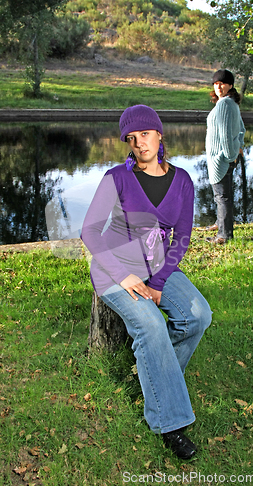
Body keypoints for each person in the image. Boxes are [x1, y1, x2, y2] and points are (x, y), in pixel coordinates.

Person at [81, 105, 212, 460]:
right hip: (112, 269)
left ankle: (154, 373)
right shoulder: (116, 178)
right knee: (153, 326)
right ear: (128, 143)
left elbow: (182, 236)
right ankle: (170, 423)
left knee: (199, 315)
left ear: (159, 135)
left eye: (145, 134)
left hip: (155, 266)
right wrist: (123, 276)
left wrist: (158, 281)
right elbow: (89, 231)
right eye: (132, 138)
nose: (140, 143)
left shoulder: (182, 180)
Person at [205, 69, 246, 244]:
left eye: (222, 83)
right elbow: (242, 128)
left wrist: (229, 155)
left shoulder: (224, 105)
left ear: (230, 85)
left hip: (220, 159)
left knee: (222, 197)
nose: (218, 86)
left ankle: (224, 235)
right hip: (223, 157)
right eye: (216, 83)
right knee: (222, 195)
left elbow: (225, 135)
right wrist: (240, 147)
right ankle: (220, 225)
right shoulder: (231, 104)